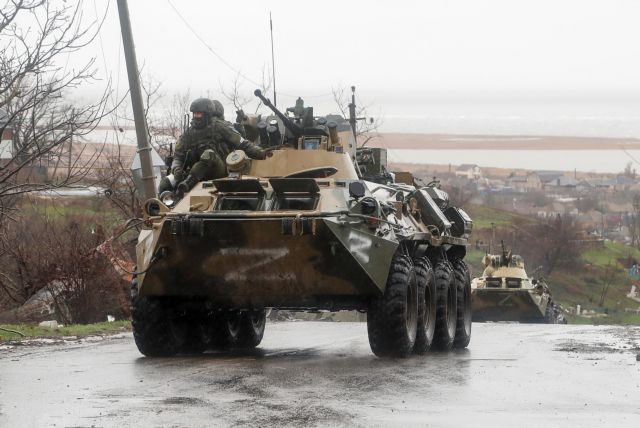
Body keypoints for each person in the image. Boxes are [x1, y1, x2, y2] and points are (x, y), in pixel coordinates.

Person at [162, 98, 267, 196]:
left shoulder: (220, 126)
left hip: (221, 171)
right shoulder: (188, 134)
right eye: (195, 113)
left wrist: (262, 154)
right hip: (198, 176)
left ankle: (188, 183)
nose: (196, 116)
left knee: (209, 154)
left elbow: (243, 144)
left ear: (207, 114)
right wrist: (176, 169)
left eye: (199, 113)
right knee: (165, 184)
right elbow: (178, 156)